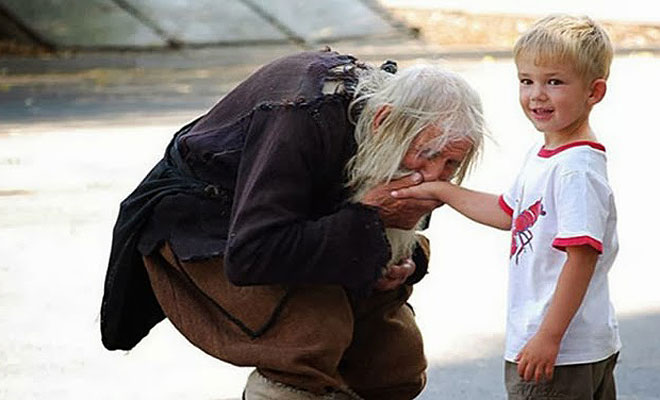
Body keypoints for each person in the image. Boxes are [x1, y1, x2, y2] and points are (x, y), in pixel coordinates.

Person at [100, 48, 486, 400]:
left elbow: (394, 231)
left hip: (308, 229)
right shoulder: (299, 113)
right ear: (384, 122)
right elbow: (253, 253)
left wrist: (404, 260)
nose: (433, 175)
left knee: (393, 363)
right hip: (210, 226)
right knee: (308, 339)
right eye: (429, 155)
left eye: (451, 164)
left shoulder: (404, 134)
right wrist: (371, 222)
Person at [392, 15, 621, 399]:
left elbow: (581, 259)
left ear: (594, 92)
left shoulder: (573, 170)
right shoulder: (548, 152)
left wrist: (547, 338)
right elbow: (509, 213)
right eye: (526, 80)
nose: (537, 95)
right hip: (571, 344)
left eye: (555, 82)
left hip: (557, 351)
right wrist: (443, 191)